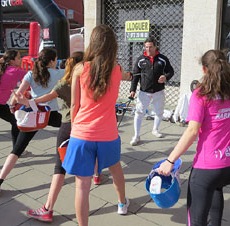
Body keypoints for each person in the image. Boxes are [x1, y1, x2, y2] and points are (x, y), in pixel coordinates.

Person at [157, 50, 230, 226]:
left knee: (196, 219)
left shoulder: (201, 94)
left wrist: (170, 160)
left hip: (209, 167)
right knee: (216, 187)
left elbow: (192, 131)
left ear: (204, 69)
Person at [62, 24, 132, 226]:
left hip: (82, 133)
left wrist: (76, 129)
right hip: (108, 134)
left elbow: (74, 104)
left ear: (92, 44)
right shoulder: (117, 70)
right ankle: (121, 203)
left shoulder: (80, 68)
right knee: (116, 168)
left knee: (82, 187)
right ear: (113, 46)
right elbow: (126, 75)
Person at [11, 51, 84, 222]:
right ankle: (99, 176)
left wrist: (26, 102)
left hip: (69, 124)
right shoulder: (92, 82)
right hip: (89, 125)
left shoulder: (64, 83)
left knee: (60, 166)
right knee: (91, 154)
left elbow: (45, 98)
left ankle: (47, 208)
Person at [0, 48, 64, 197]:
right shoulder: (59, 73)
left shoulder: (31, 73)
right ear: (51, 61)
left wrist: (12, 106)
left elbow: (18, 94)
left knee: (16, 151)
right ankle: (94, 169)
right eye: (55, 59)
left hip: (33, 114)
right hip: (51, 114)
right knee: (74, 130)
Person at [129, 36, 174, 145]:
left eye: (150, 47)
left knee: (159, 112)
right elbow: (135, 76)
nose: (148, 49)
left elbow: (171, 71)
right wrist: (132, 90)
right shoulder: (140, 60)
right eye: (146, 47)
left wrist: (166, 77)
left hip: (159, 91)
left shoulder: (162, 59)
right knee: (139, 113)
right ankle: (136, 136)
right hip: (144, 92)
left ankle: (155, 129)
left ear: (155, 46)